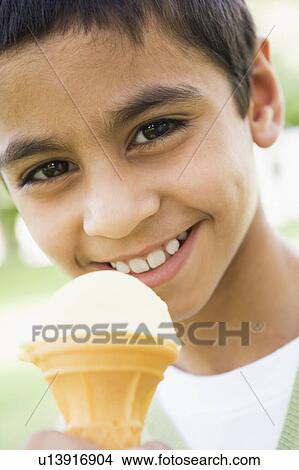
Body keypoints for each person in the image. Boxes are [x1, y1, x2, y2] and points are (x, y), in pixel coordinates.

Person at [0, 0, 298, 450]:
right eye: (49, 170)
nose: (116, 217)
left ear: (257, 98)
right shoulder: (92, 418)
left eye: (155, 129)